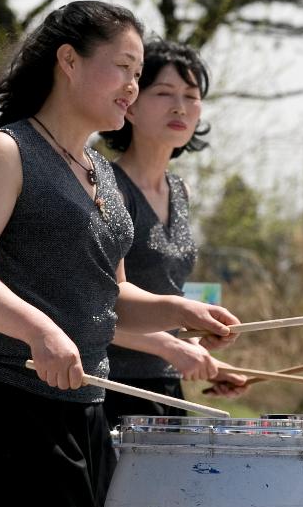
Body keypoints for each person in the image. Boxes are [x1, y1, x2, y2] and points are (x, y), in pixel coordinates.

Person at [0, 1, 241, 507]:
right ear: (69, 63)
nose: (132, 86)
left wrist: (181, 314)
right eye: (124, 69)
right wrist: (38, 330)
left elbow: (109, 297)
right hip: (5, 407)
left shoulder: (99, 169)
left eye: (139, 72)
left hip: (81, 412)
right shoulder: (5, 150)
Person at [100, 40, 248, 423]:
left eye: (191, 96)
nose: (180, 107)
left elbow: (169, 301)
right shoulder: (105, 186)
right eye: (164, 93)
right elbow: (94, 304)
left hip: (166, 387)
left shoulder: (179, 190)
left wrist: (204, 358)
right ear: (129, 103)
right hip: (112, 386)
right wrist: (171, 348)